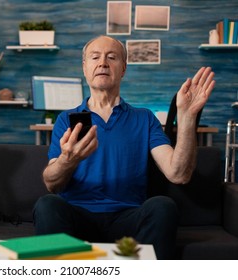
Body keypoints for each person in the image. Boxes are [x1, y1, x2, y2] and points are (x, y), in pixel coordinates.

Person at [33, 35, 216, 260]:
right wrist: (68, 160)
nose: (102, 63)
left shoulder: (145, 118)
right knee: (47, 204)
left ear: (123, 69)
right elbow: (52, 184)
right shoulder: (66, 119)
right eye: (95, 57)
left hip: (128, 219)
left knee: (163, 206)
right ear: (85, 67)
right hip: (78, 216)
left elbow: (178, 174)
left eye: (112, 57)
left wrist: (187, 118)